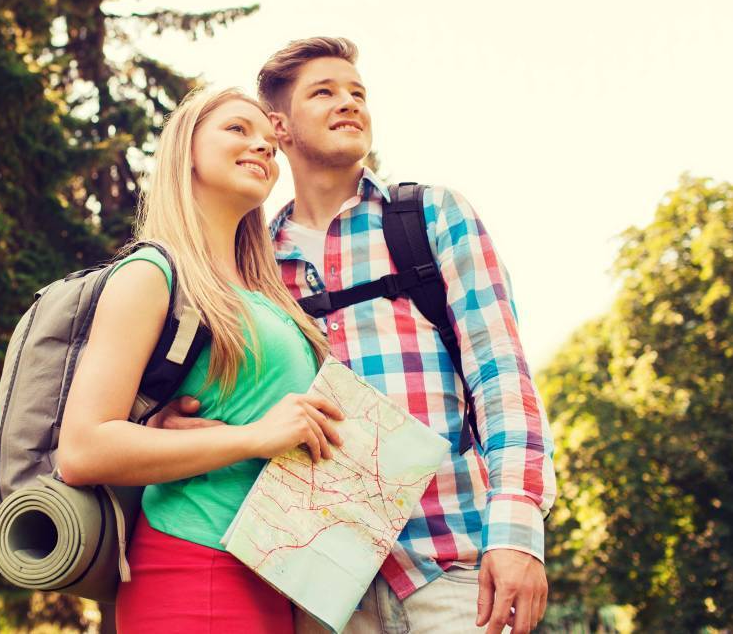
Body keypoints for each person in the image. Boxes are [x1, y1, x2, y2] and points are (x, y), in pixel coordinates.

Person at [163, 38, 557, 634]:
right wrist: (179, 426)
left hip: (455, 564)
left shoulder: (430, 216)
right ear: (280, 127)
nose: (349, 103)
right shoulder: (257, 264)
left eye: (357, 92)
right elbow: (233, 399)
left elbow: (501, 374)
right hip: (321, 584)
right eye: (323, 92)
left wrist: (518, 530)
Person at [55, 87, 344, 634]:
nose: (263, 146)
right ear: (187, 148)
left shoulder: (265, 294)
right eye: (237, 130)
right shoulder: (151, 273)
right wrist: (255, 437)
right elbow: (83, 449)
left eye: (270, 143)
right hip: (198, 570)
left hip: (274, 573)